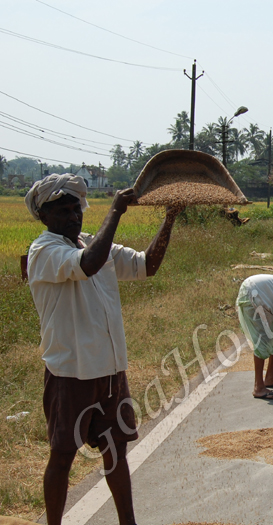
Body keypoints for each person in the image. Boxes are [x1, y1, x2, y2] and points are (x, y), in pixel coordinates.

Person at [25, 174, 181, 525]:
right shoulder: (45, 251)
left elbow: (147, 266)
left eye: (76, 209)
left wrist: (169, 219)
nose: (73, 216)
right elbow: (88, 264)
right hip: (71, 372)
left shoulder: (96, 245)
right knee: (63, 455)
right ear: (45, 217)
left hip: (110, 371)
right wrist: (116, 211)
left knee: (116, 451)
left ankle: (129, 521)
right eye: (63, 211)